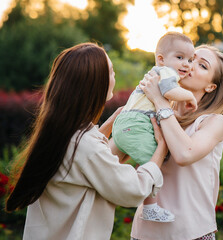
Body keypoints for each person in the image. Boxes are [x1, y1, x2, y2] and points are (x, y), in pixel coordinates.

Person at [5, 43, 168, 240]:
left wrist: (109, 125)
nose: (114, 76)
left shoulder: (59, 133)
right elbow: (132, 189)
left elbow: (91, 159)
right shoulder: (85, 147)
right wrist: (161, 148)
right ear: (94, 84)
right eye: (110, 72)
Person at [130, 44, 223, 240]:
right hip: (145, 233)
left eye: (202, 65)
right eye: (189, 59)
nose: (189, 65)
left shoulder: (214, 122)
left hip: (191, 232)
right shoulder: (152, 114)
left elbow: (184, 154)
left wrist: (160, 101)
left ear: (211, 86)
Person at [109, 32, 196, 222]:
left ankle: (119, 190)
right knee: (153, 162)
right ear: (161, 59)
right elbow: (170, 91)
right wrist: (190, 96)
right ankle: (150, 207)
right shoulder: (166, 73)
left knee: (123, 163)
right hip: (137, 123)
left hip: (128, 123)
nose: (186, 64)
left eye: (190, 60)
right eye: (180, 57)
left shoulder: (158, 73)